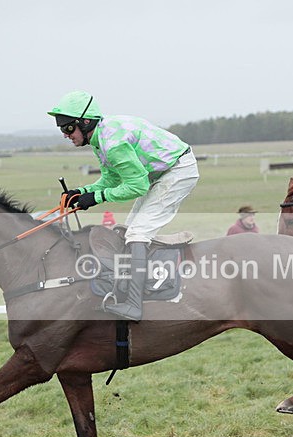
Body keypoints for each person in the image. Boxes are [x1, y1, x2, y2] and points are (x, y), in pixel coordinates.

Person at [49, 90, 200, 320]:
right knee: (129, 230)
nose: (65, 134)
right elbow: (111, 180)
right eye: (62, 129)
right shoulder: (100, 138)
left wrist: (97, 198)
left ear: (85, 122)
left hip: (178, 171)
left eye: (68, 128)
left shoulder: (113, 142)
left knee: (137, 234)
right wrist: (83, 192)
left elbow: (136, 186)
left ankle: (134, 305)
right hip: (160, 172)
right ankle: (135, 285)